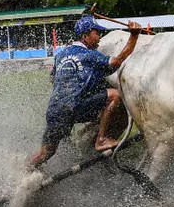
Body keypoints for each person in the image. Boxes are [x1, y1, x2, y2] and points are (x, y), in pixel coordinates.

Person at [27, 15, 143, 169]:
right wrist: (134, 36)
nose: (99, 37)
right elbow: (116, 62)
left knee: (45, 154)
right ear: (85, 35)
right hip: (73, 109)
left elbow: (53, 79)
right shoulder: (89, 55)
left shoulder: (62, 54)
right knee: (114, 95)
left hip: (54, 111)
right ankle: (101, 139)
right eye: (96, 33)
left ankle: (24, 171)